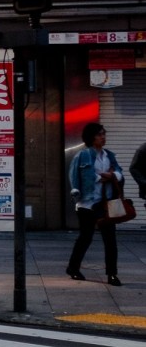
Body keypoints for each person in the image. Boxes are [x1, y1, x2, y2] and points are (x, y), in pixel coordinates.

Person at [66, 122, 124, 286]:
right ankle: (73, 268)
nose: (103, 137)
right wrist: (102, 177)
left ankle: (112, 274)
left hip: (106, 204)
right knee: (85, 238)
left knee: (110, 240)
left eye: (104, 134)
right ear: (91, 137)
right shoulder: (82, 155)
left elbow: (120, 173)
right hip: (87, 204)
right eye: (99, 134)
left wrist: (113, 176)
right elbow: (74, 177)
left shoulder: (109, 155)